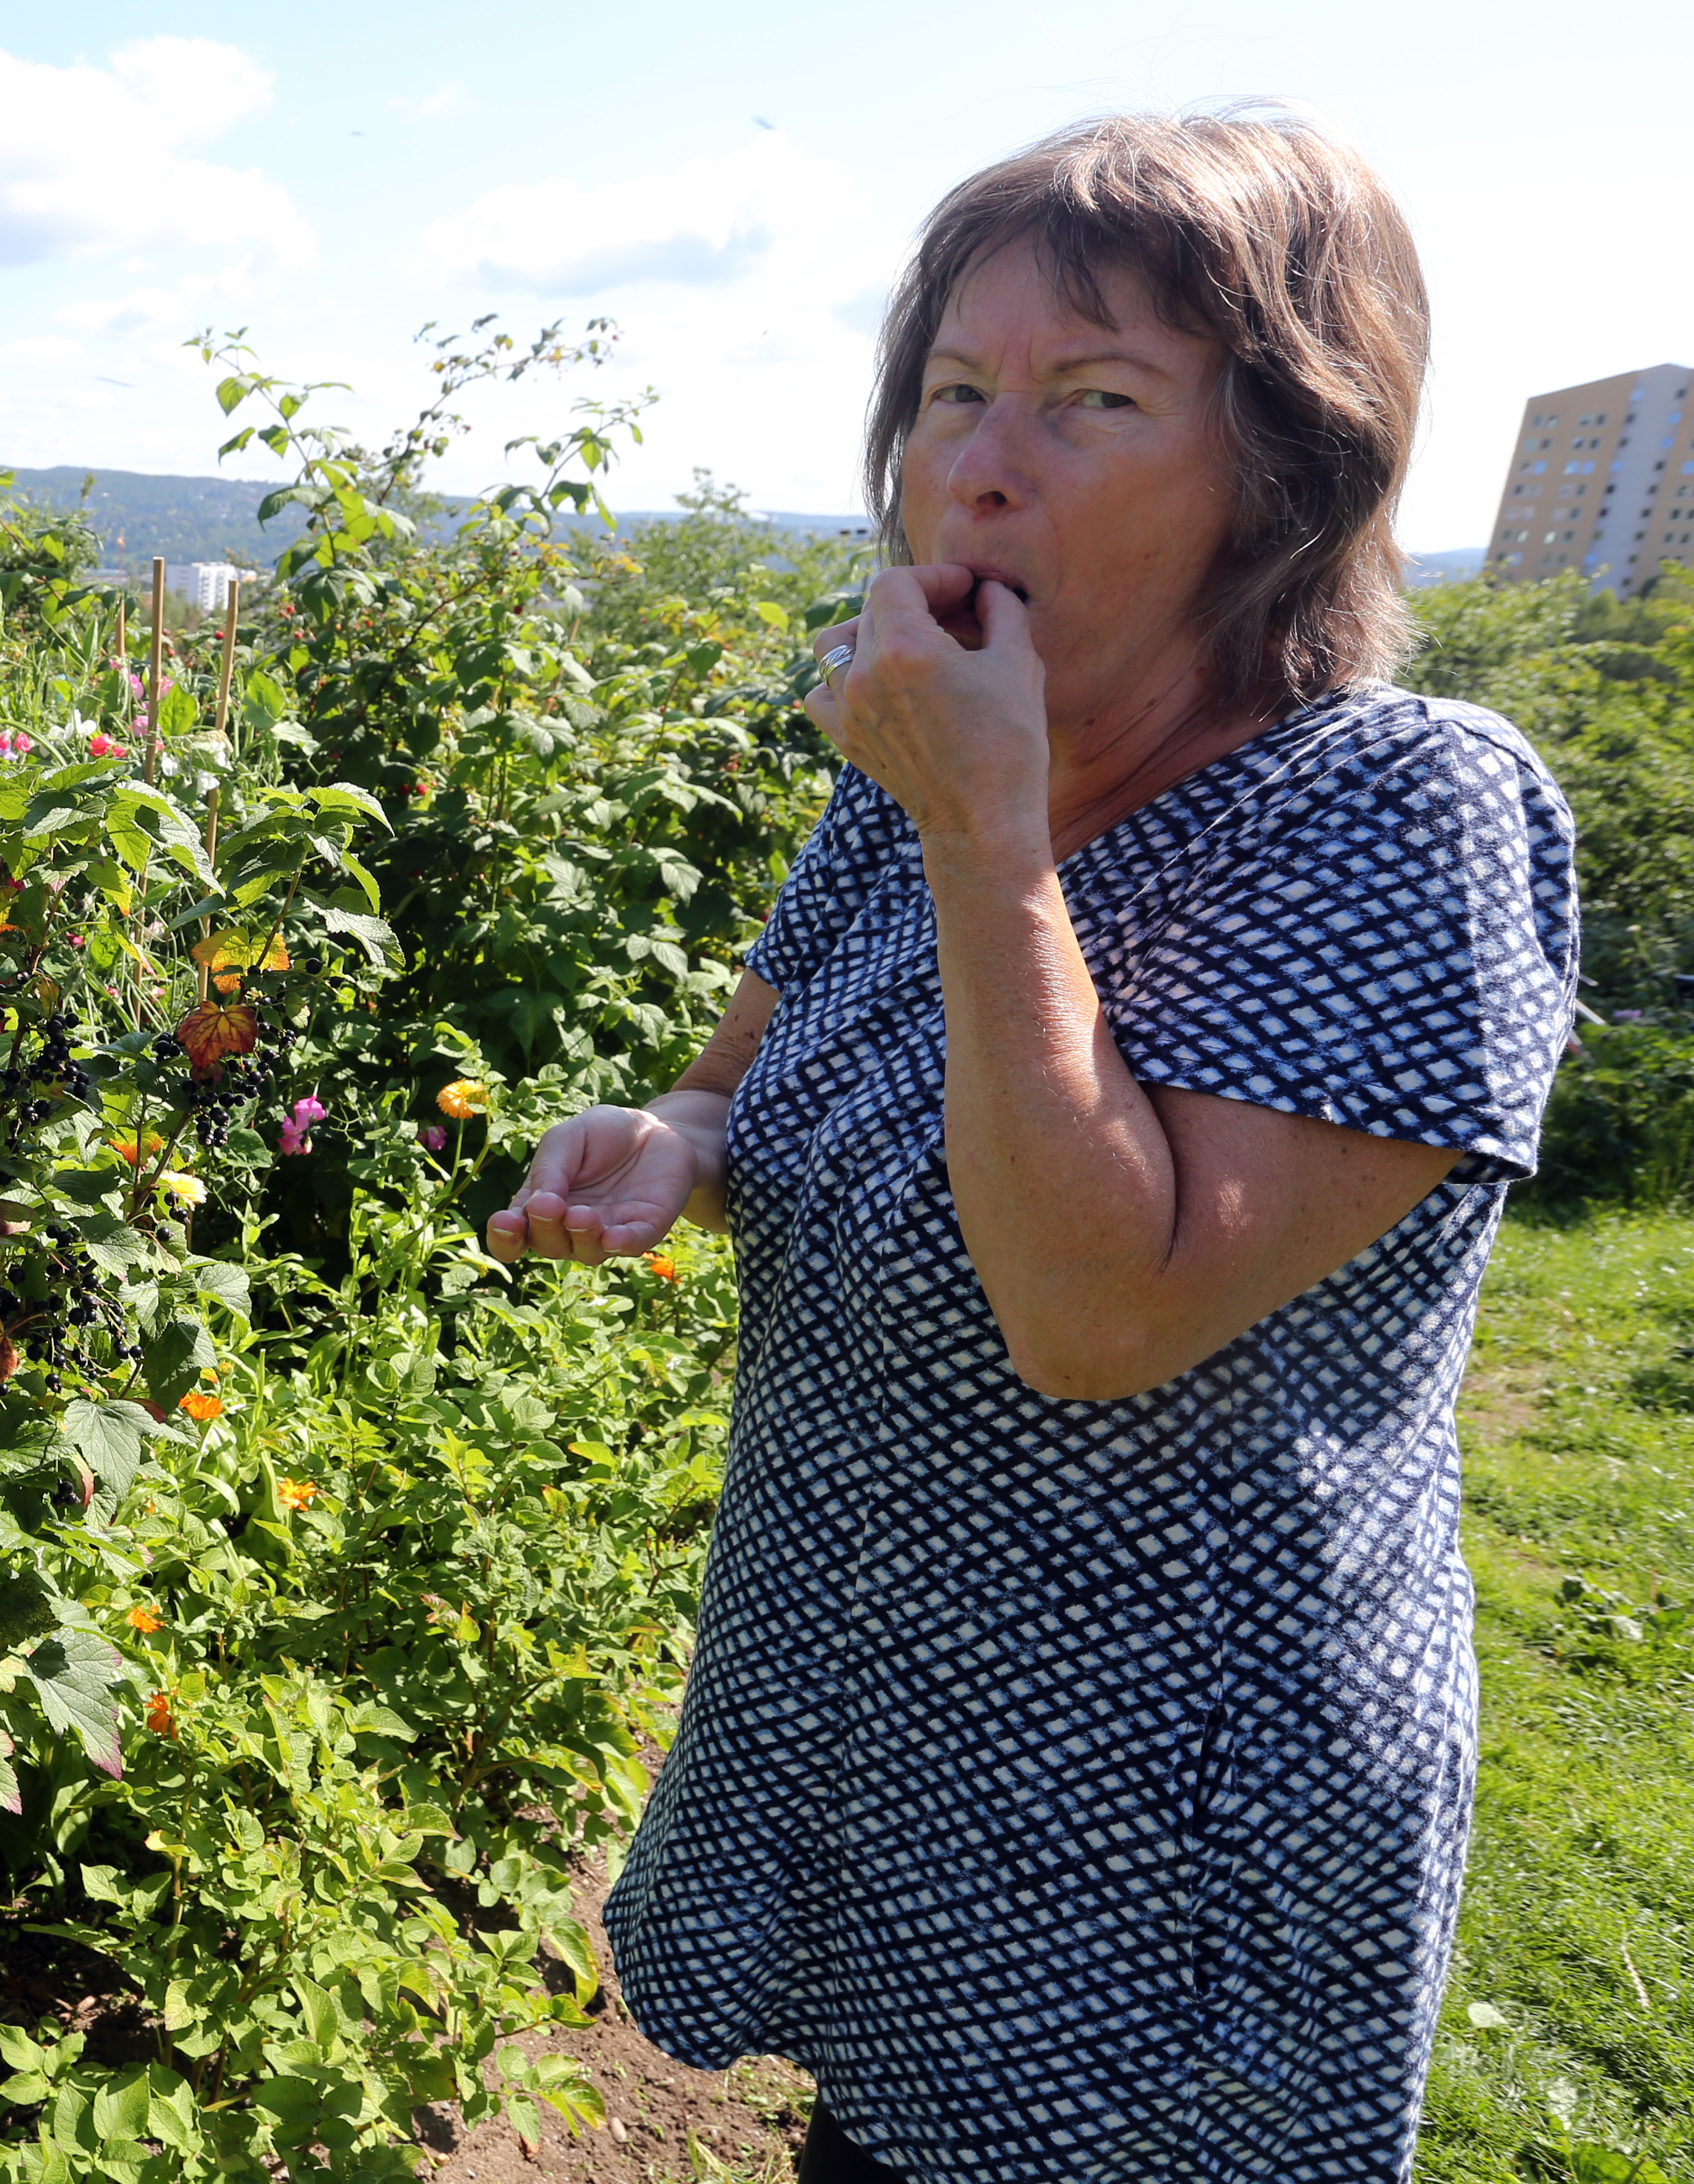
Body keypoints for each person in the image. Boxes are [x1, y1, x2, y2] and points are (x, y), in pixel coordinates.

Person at [487, 108, 1576, 2183]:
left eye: (1093, 399)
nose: (979, 460)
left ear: (1282, 463)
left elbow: (1094, 1312)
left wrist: (989, 835)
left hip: (1151, 1837)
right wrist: (673, 1141)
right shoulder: (927, 777)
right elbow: (750, 1070)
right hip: (881, 1727)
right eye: (955, 391)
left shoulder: (1394, 810)